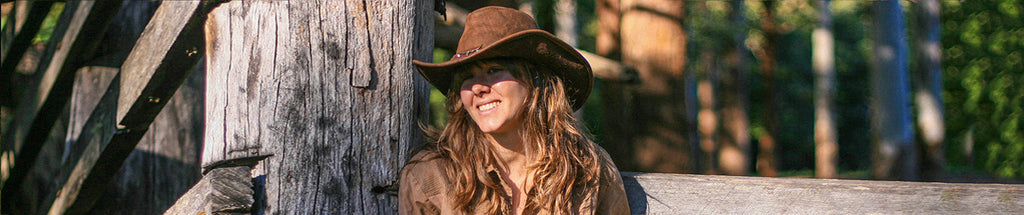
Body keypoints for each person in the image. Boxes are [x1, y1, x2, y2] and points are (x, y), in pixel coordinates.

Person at [399, 6, 630, 215]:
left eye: (494, 70)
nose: (478, 87)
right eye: (467, 77)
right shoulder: (432, 176)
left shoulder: (586, 168)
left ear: (536, 81)